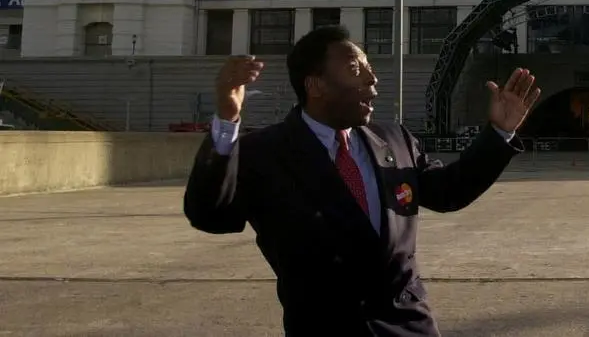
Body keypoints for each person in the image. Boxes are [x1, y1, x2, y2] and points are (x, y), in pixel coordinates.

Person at [182, 25, 540, 336]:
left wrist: (498, 133)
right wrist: (228, 121)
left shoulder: (395, 140)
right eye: (355, 68)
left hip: (408, 326)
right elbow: (211, 216)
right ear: (315, 85)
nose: (372, 79)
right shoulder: (264, 152)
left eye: (369, 67)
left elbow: (448, 192)